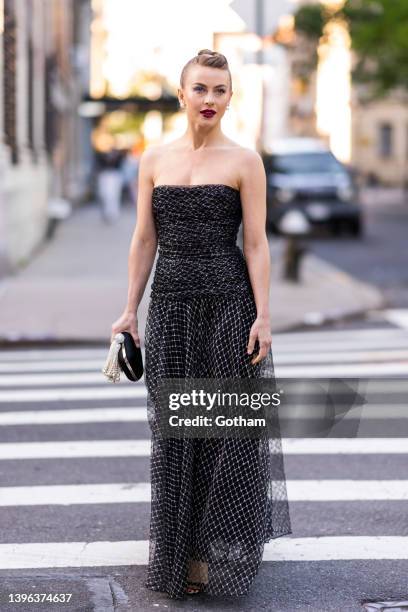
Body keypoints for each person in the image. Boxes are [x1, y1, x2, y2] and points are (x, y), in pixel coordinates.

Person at [110, 49, 292, 600]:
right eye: (201, 89)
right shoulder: (154, 160)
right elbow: (144, 239)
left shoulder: (245, 161)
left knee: (222, 430)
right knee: (174, 429)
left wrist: (263, 314)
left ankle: (215, 553)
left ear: (229, 97)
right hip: (169, 304)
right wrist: (129, 310)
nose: (210, 99)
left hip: (229, 303)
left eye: (220, 90)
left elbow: (256, 243)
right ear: (183, 94)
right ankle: (178, 551)